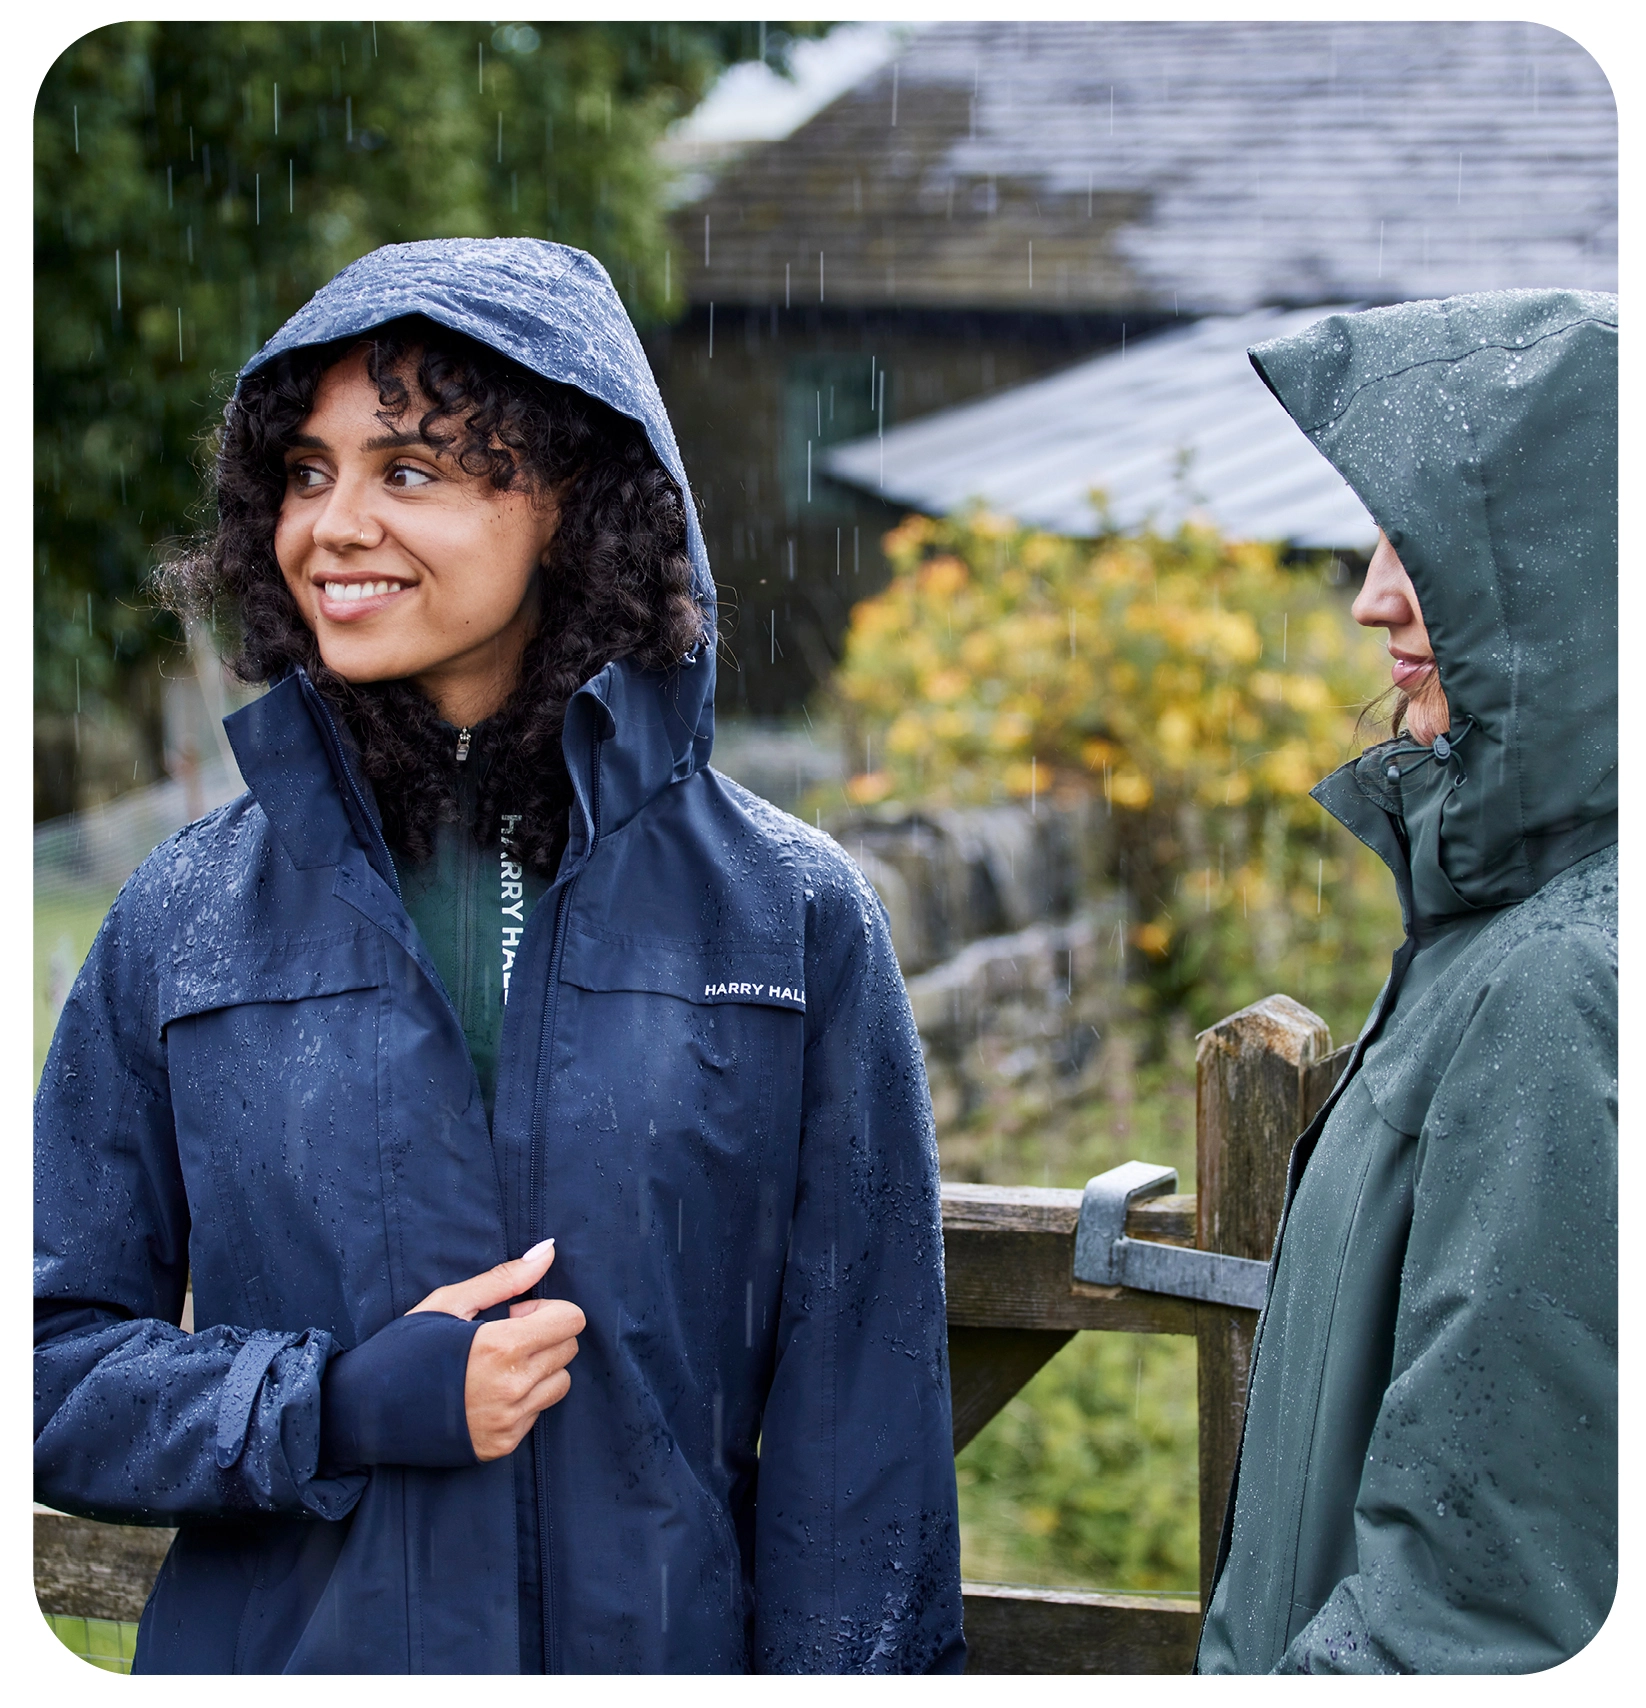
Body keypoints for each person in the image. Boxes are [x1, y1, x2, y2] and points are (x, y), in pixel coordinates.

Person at [34, 239, 966, 1675]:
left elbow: (866, 1448)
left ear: (576, 507)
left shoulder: (785, 919)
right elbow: (45, 1367)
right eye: (302, 471)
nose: (332, 524)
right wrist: (327, 1407)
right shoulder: (182, 918)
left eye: (409, 471)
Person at [1196, 289, 1617, 1673]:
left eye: (1426, 544)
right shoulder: (1508, 920)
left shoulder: (1562, 985)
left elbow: (1476, 1601)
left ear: (1578, 572)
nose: (1372, 594)